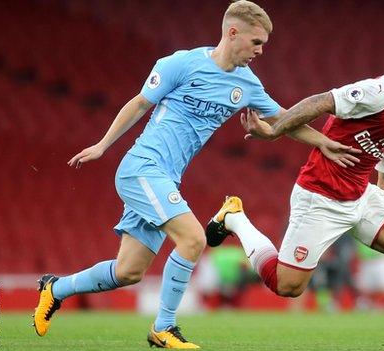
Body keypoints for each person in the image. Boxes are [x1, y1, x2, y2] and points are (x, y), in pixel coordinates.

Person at [32, 1, 359, 349]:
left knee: (129, 271)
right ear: (232, 33)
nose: (261, 51)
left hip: (166, 179)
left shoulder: (247, 84)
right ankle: (164, 328)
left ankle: (55, 288)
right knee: (193, 239)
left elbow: (283, 119)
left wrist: (324, 142)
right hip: (143, 167)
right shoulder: (181, 64)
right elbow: (140, 103)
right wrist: (102, 145)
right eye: (256, 42)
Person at [207, 33, 384, 347]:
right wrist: (275, 130)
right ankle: (235, 220)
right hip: (320, 196)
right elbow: (322, 102)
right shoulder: (380, 91)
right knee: (287, 286)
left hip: (360, 195)